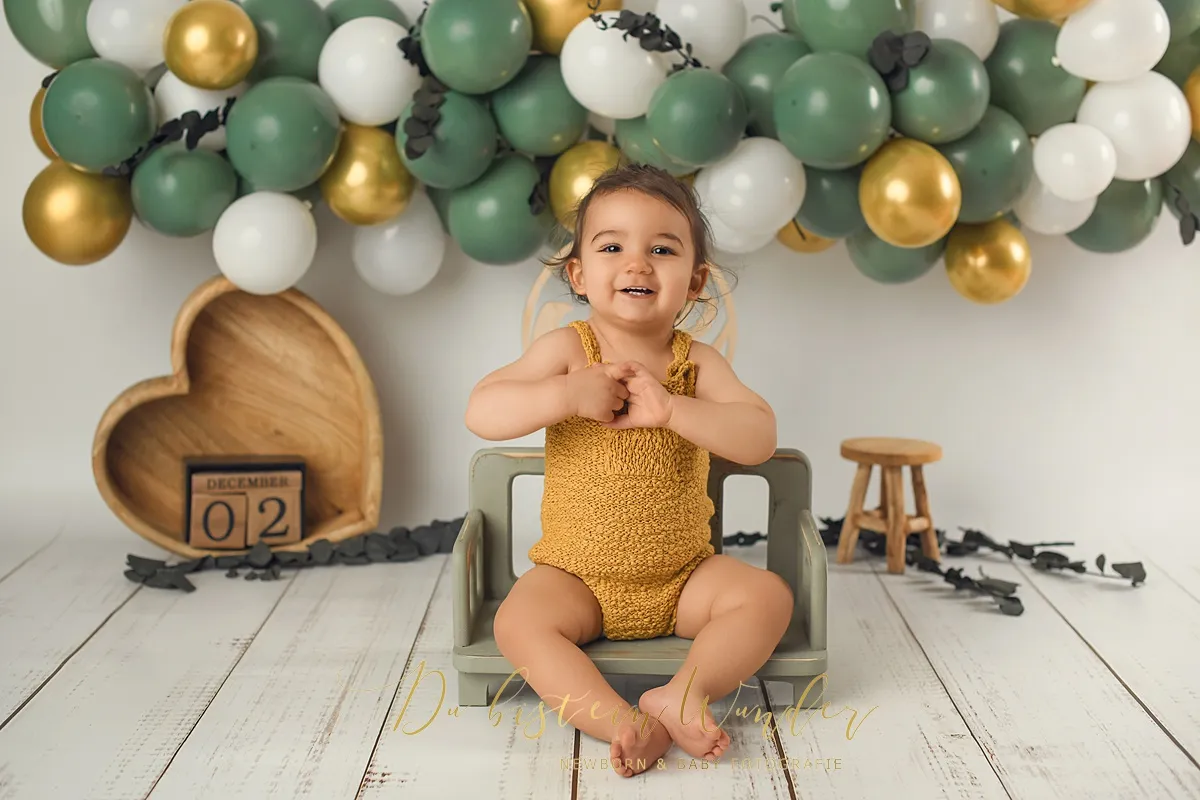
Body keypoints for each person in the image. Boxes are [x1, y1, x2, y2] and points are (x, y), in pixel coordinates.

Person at [464, 163, 794, 778]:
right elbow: (482, 408)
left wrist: (674, 411)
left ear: (694, 282)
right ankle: (621, 721)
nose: (637, 264)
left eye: (661, 250)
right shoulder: (567, 350)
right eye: (612, 246)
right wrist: (565, 396)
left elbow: (759, 436)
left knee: (766, 596)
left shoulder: (698, 365)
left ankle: (684, 691)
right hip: (576, 577)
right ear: (580, 275)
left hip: (682, 578)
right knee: (518, 622)